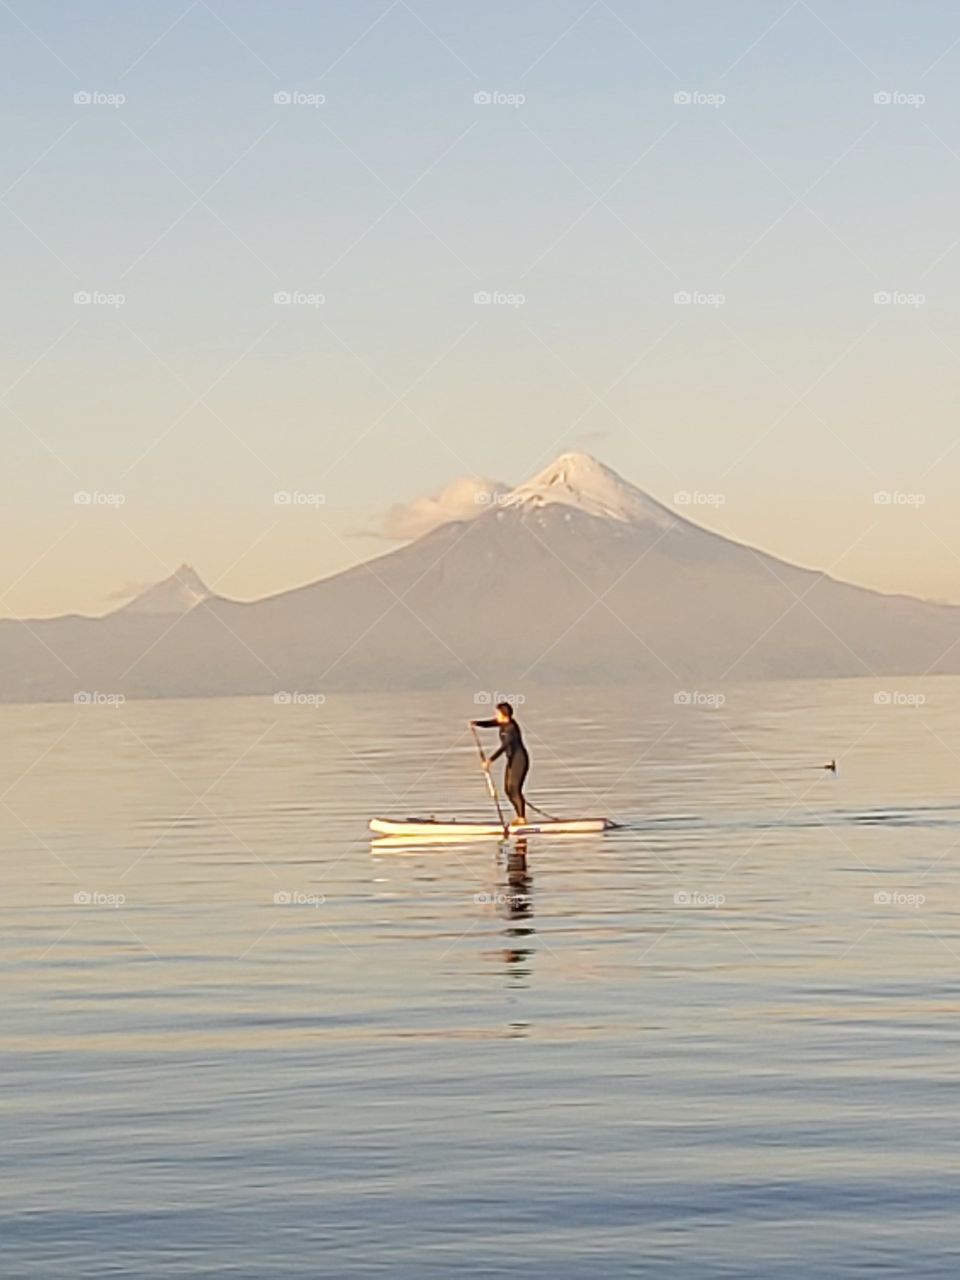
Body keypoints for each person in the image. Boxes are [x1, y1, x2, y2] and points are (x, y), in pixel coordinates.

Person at [471, 701, 530, 825]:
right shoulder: (502, 723)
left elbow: (504, 746)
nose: (496, 715)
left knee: (514, 789)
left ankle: (521, 818)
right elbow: (491, 723)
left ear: (504, 714)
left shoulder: (511, 728)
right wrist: (477, 723)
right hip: (511, 760)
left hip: (520, 760)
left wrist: (490, 761)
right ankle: (519, 816)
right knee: (507, 790)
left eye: (497, 713)